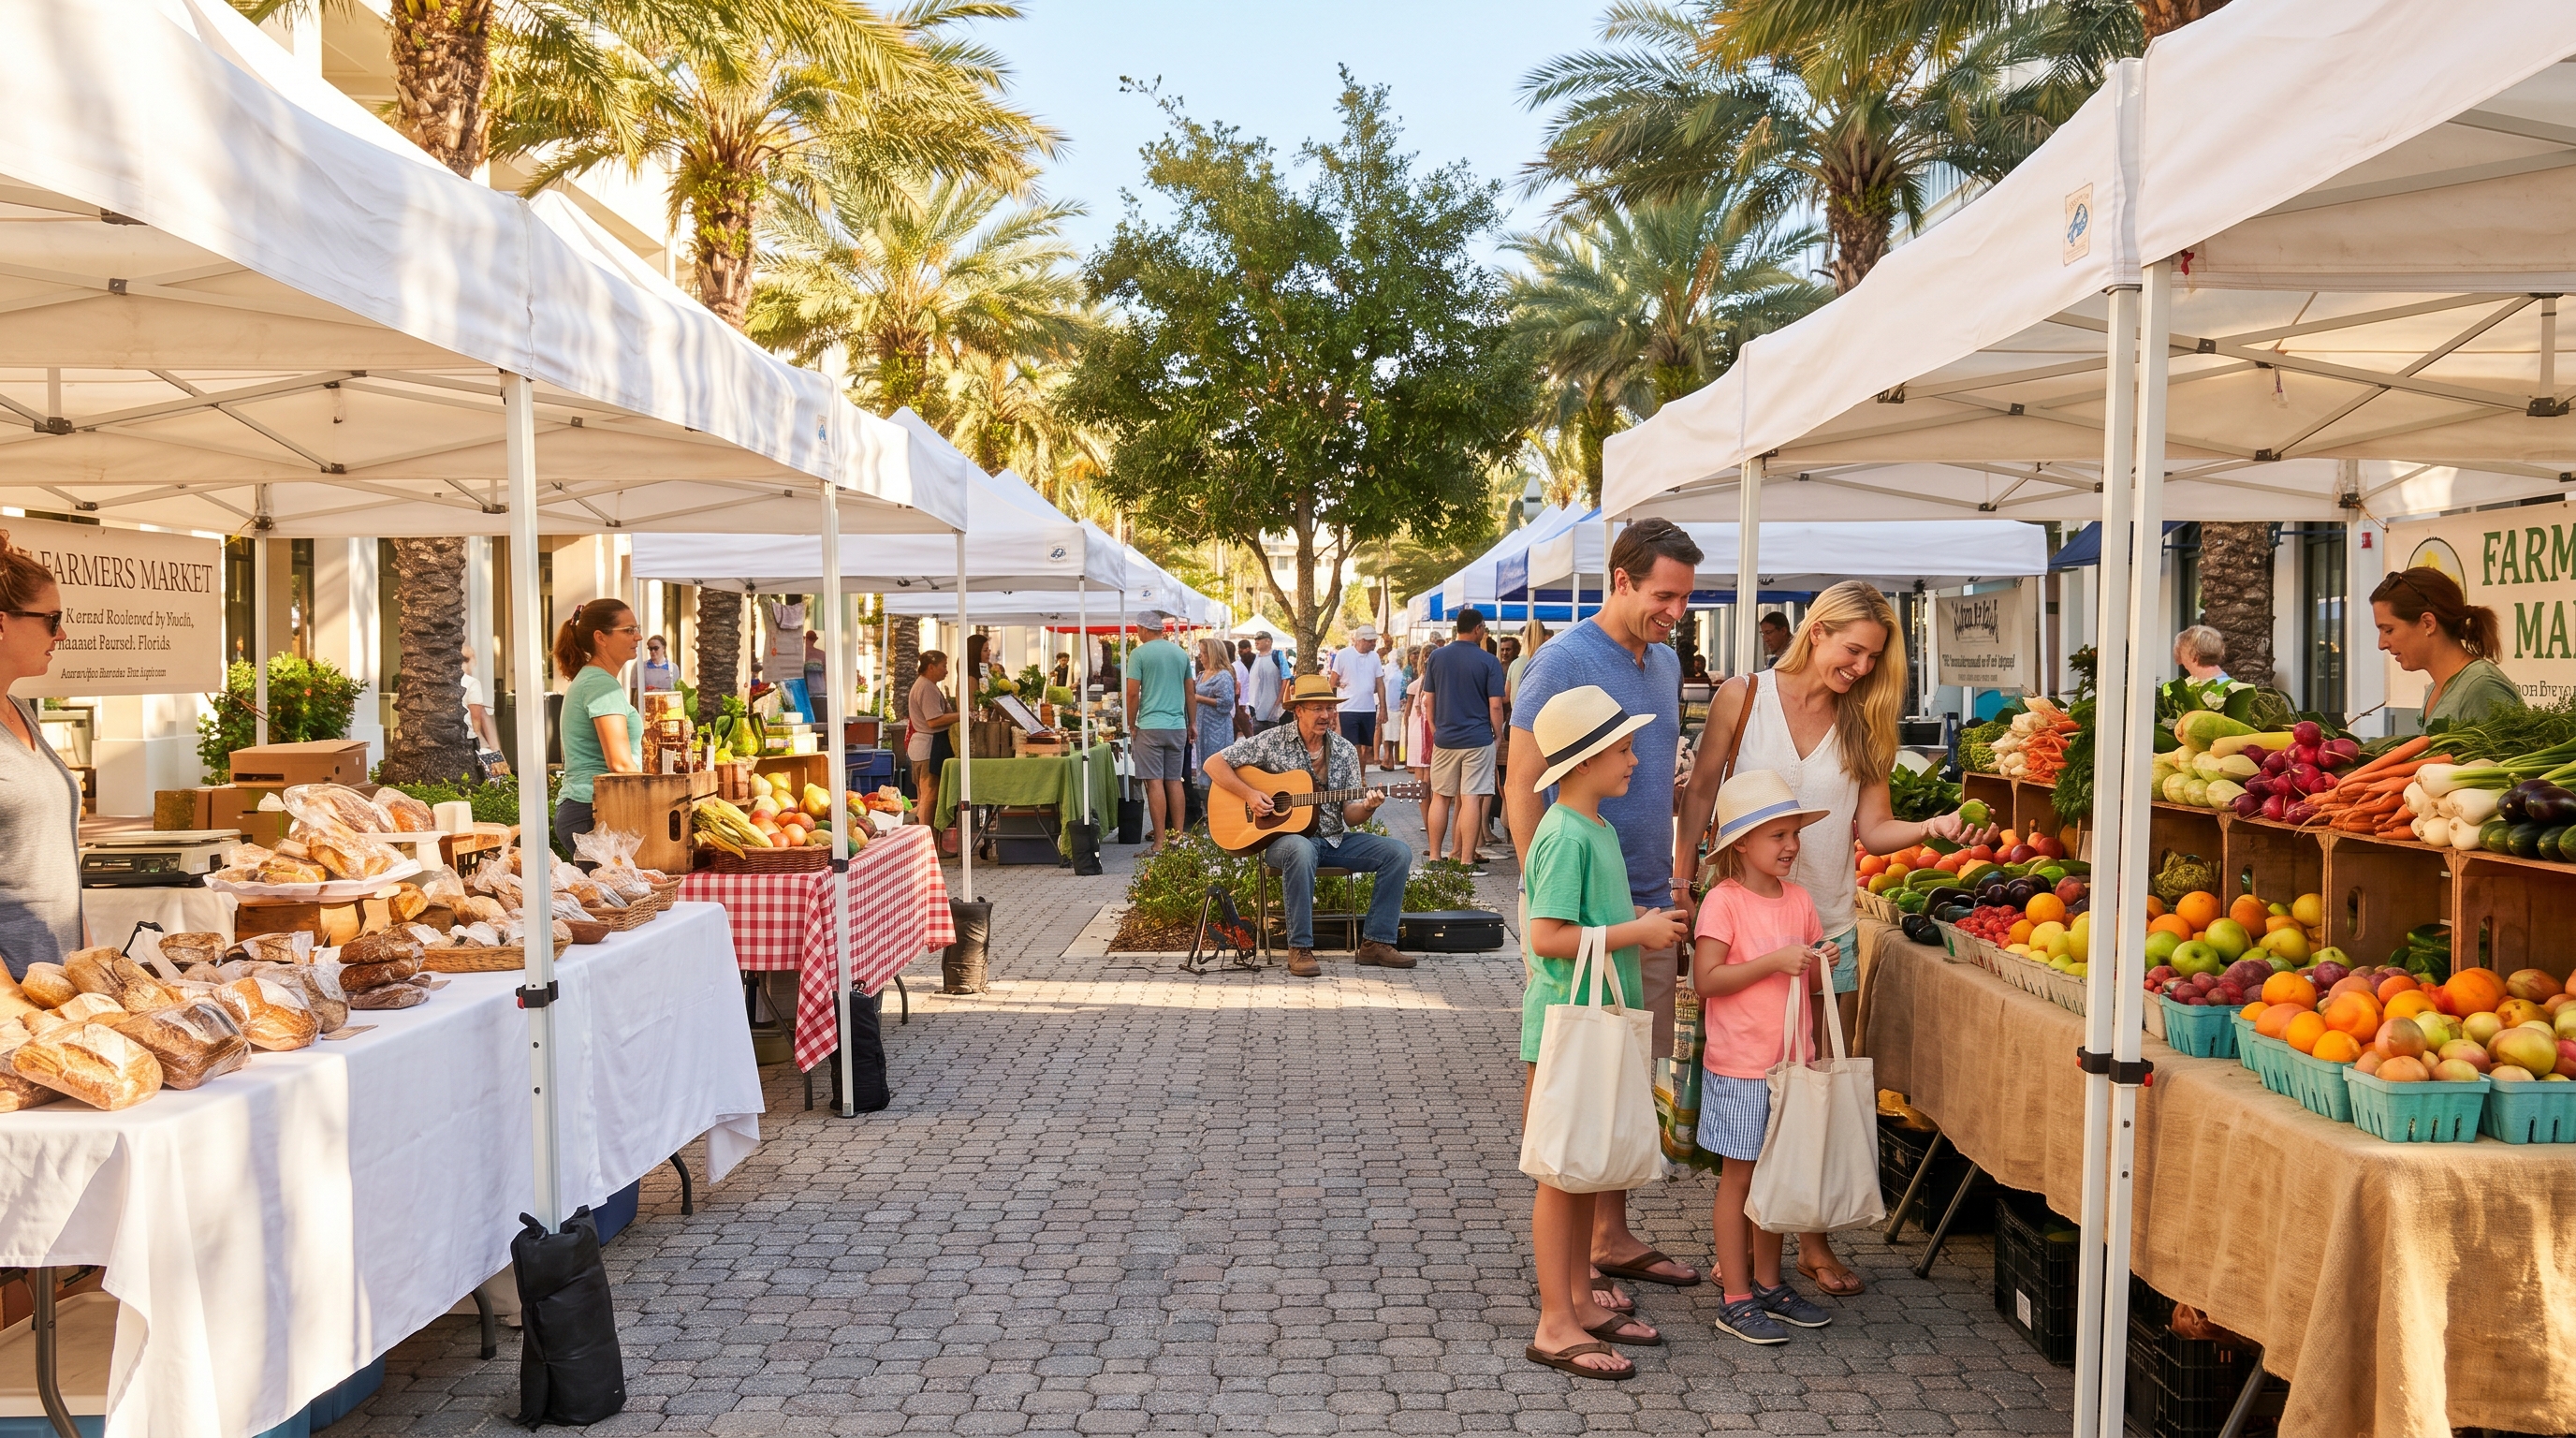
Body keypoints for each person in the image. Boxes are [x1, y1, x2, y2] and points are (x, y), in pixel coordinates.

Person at [1672, 579, 1996, 1297]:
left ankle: (1810, 1238)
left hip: (1827, 931)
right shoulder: (1744, 696)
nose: (1860, 668)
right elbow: (1699, 793)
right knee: (1751, 1089)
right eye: (1854, 650)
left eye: (1873, 659)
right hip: (1748, 924)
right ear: (1817, 631)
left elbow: (1874, 830)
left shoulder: (1864, 723)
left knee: (1813, 1088)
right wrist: (1682, 876)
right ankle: (1748, 1244)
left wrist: (1935, 830)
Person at [1507, 519, 1705, 1303]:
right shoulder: (1559, 661)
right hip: (1579, 909)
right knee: (1570, 1075)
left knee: (1625, 1070)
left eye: (1686, 598)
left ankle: (1610, 1236)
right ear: (1621, 580)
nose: (1677, 613)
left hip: (1646, 900)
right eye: (1666, 596)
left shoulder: (1661, 665)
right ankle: (1572, 1268)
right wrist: (1540, 894)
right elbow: (1524, 783)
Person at [1516, 684, 1690, 1380]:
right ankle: (1554, 1322)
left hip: (1592, 1021)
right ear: (1583, 762)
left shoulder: (1597, 828)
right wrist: (1638, 930)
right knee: (1561, 1176)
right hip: (1566, 1026)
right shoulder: (1563, 834)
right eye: (1621, 749)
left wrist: (1642, 917)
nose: (1634, 760)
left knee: (1580, 1169)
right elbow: (1547, 936)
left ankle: (1580, 1302)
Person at [1693, 769, 1841, 1344]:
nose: (1791, 845)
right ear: (1742, 845)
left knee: (1775, 1177)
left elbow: (1800, 982)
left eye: (1793, 833)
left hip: (1790, 1067)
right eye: (1777, 835)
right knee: (1739, 1180)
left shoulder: (1800, 901)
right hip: (1739, 1069)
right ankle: (1734, 1295)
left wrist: (1817, 960)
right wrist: (1775, 962)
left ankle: (1768, 1281)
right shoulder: (1723, 903)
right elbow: (1707, 979)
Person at [1203, 674, 1415, 978]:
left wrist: (1367, 806)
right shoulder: (1271, 740)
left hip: (1332, 841)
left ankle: (1377, 942)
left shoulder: (1343, 751)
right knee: (1300, 849)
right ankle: (1299, 948)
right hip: (1284, 843)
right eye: (1317, 708)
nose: (1326, 716)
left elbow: (1350, 816)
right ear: (1298, 710)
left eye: (1329, 708)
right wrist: (1249, 795)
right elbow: (1214, 764)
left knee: (1398, 852)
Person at [0, 533, 80, 979]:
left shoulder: (22, 711)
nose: (62, 633)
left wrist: (87, 962)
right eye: (52, 619)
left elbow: (55, 862)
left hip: (53, 981)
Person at [2373, 566, 2523, 726]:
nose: (2381, 644)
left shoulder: (2482, 688)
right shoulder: (2433, 690)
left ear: (2428, 623)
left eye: (2389, 630)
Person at [551, 598, 644, 854]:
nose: (638, 636)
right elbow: (620, 764)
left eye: (636, 628)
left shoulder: (595, 680)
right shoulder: (600, 685)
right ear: (600, 638)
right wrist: (662, 793)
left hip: (590, 809)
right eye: (628, 630)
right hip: (592, 813)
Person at [1427, 609, 1507, 874]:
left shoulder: (1437, 656)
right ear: (1478, 628)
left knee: (1440, 797)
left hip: (1446, 738)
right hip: (1478, 738)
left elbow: (1429, 699)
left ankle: (1435, 858)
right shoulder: (1488, 661)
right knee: (1471, 798)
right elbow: (1496, 705)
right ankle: (1466, 862)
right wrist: (1499, 734)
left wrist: (1435, 728)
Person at [1125, 611, 1193, 853]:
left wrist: (1131, 723)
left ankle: (1160, 843)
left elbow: (1132, 693)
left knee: (1154, 784)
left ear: (1143, 629)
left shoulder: (1139, 654)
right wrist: (1192, 723)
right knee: (1175, 781)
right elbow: (1190, 692)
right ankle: (1179, 838)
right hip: (1177, 726)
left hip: (1150, 726)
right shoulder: (1180, 653)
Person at [907, 650, 960, 834]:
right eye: (944, 666)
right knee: (930, 797)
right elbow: (934, 720)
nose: (946, 671)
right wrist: (961, 716)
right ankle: (929, 844)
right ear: (931, 667)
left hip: (924, 746)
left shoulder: (925, 685)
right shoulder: (926, 687)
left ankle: (930, 843)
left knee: (925, 798)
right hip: (929, 747)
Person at [1190, 636, 1238, 805]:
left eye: (1204, 653)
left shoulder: (1223, 676)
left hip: (1217, 728)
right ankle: (1208, 807)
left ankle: (1219, 807)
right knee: (1204, 765)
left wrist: (1199, 698)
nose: (1200, 656)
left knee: (1217, 766)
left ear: (1213, 654)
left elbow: (1226, 703)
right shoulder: (1203, 674)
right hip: (1203, 726)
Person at [1332, 626, 1385, 756]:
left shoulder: (1375, 657)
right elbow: (1332, 681)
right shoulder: (1343, 654)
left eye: (1374, 641)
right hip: (1347, 708)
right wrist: (1331, 708)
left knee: (1366, 748)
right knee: (1351, 746)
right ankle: (1353, 776)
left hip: (1368, 708)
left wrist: (1383, 708)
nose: (1374, 643)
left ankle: (1362, 776)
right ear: (1361, 640)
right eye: (1371, 641)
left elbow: (1380, 683)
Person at [461, 645, 502, 754]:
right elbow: (476, 719)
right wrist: (494, 749)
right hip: (469, 738)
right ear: (470, 660)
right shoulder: (472, 683)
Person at [1246, 631, 1288, 730]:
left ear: (1268, 641)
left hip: (1273, 711)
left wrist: (1278, 702)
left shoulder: (1277, 655)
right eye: (1255, 639)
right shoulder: (1254, 658)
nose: (1256, 641)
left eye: (1259, 639)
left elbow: (1285, 678)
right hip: (1256, 709)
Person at [1381, 646, 1410, 770]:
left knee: (1398, 733)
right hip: (1391, 704)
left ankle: (1395, 759)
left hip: (1399, 705)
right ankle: (1389, 758)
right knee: (1390, 732)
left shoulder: (1406, 670)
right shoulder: (1391, 668)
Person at [1233, 640, 1256, 737]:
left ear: (1249, 648)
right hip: (1244, 696)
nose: (1241, 650)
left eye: (1244, 648)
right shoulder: (1239, 663)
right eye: (1239, 648)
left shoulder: (1255, 660)